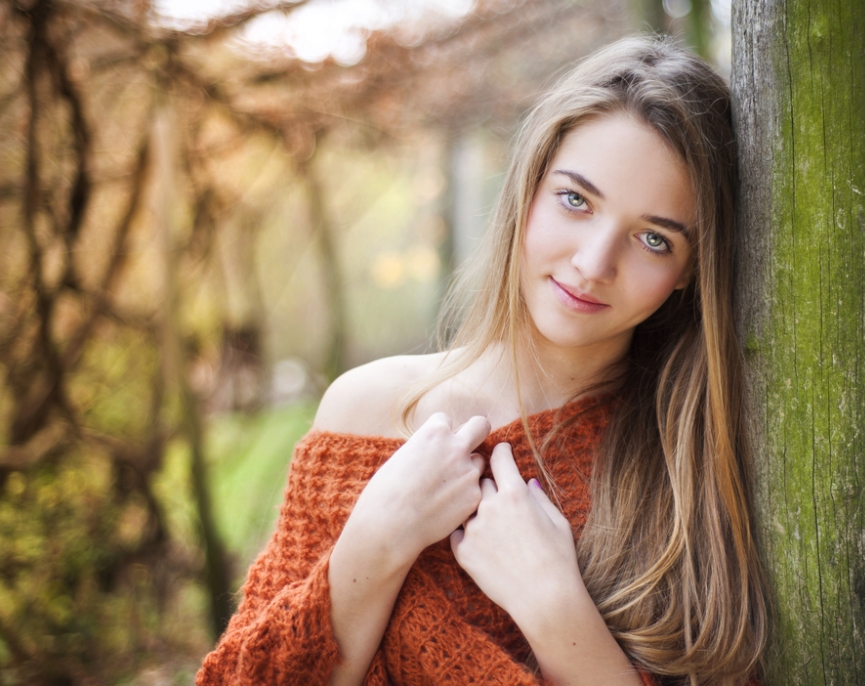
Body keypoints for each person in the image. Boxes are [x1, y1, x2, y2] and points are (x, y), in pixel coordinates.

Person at [197, 36, 767, 686]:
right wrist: (374, 542)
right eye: (576, 200)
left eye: (653, 239)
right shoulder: (369, 412)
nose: (593, 263)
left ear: (692, 269)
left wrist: (556, 611)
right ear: (527, 190)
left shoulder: (691, 465)